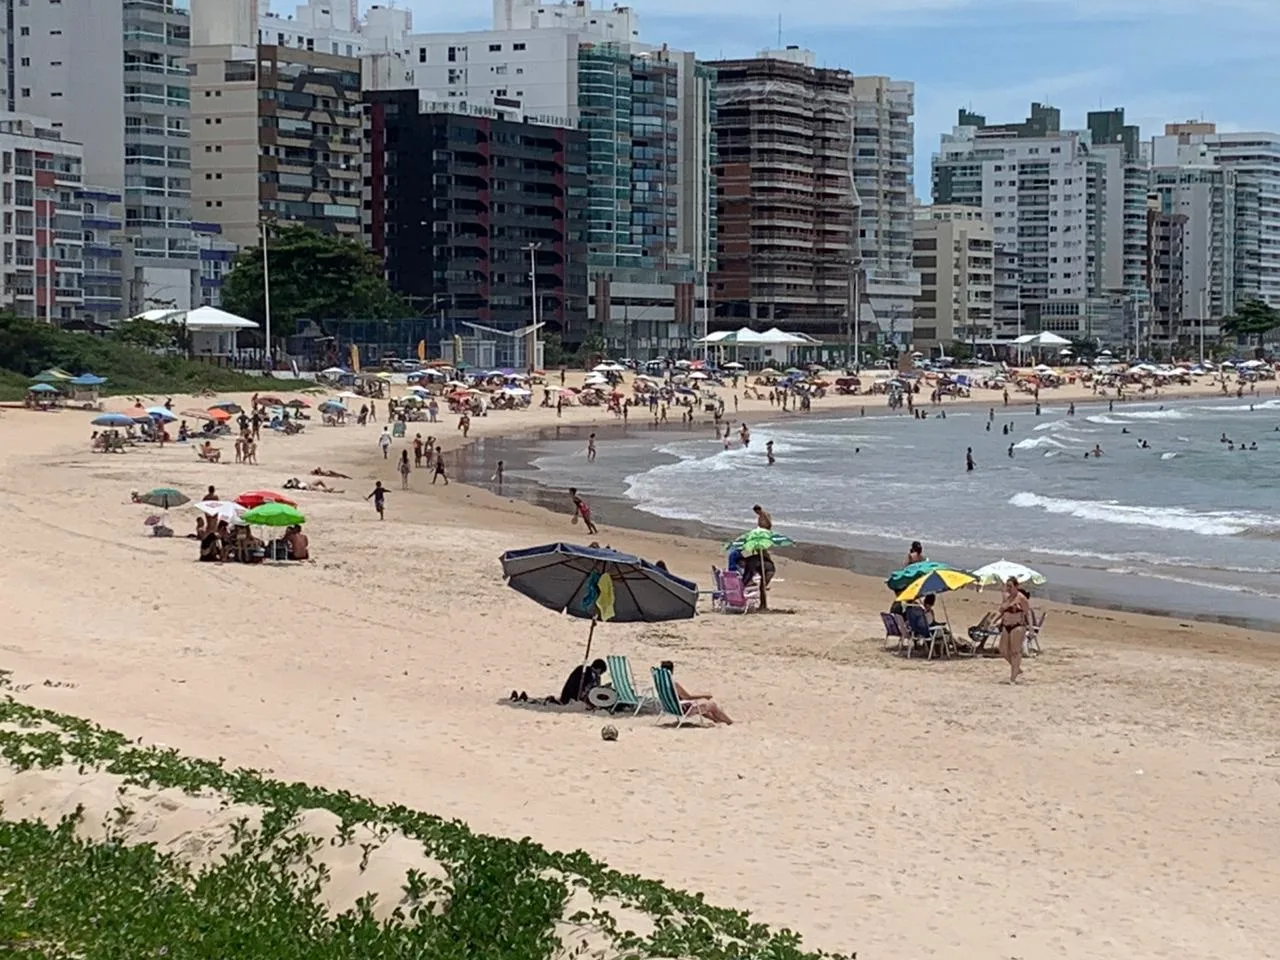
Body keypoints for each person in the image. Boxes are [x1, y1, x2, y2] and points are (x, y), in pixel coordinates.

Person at [659, 660, 733, 724]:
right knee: (712, 705)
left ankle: (716, 720)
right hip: (682, 710)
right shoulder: (673, 684)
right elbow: (687, 697)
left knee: (701, 704)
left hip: (670, 708)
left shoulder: (660, 683)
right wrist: (705, 696)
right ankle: (730, 722)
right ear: (672, 670)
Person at [997, 576, 1030, 683]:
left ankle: (1013, 678)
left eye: (1010, 586)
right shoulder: (1006, 597)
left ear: (1016, 586)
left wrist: (1030, 629)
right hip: (1006, 625)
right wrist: (996, 621)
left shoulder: (1021, 598)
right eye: (1007, 586)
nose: (1008, 589)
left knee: (1015, 652)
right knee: (1003, 649)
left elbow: (1026, 613)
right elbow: (1001, 611)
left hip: (1018, 625)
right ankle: (1016, 668)